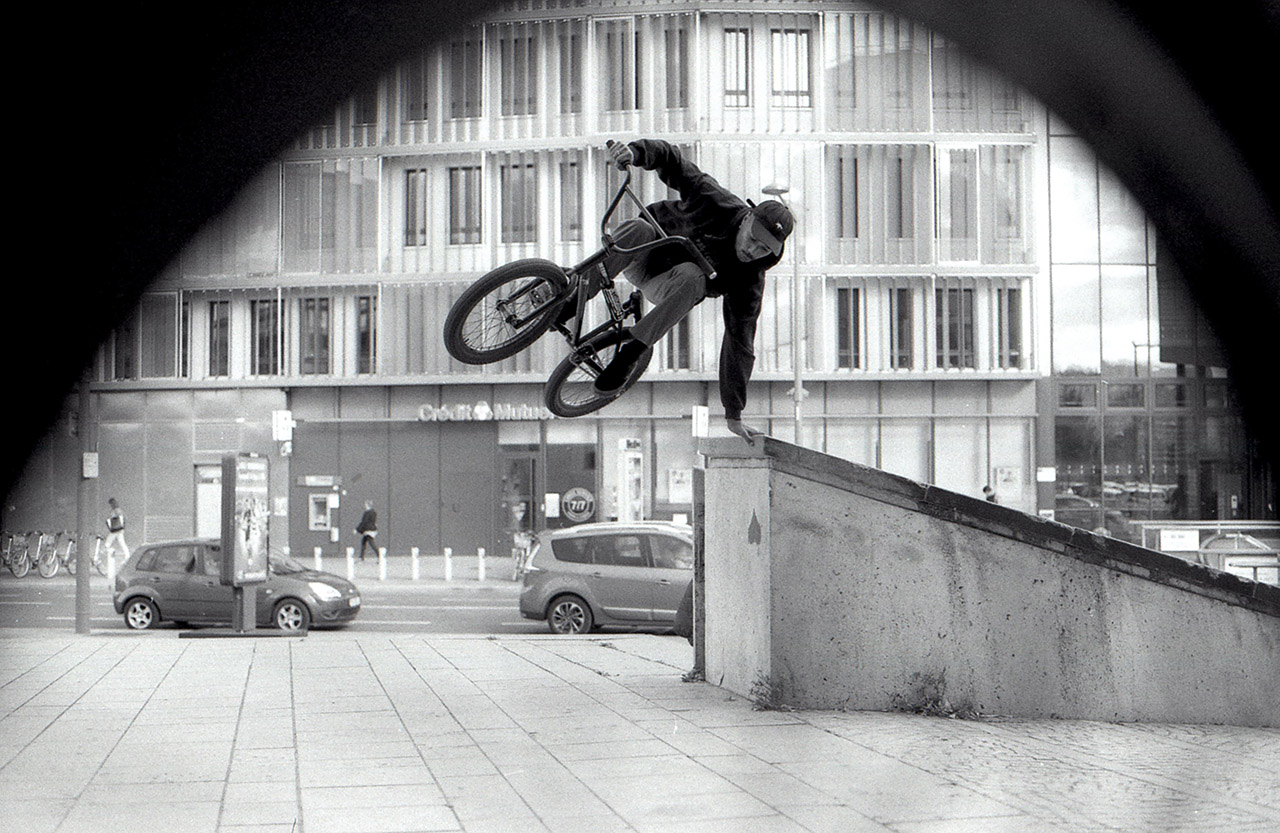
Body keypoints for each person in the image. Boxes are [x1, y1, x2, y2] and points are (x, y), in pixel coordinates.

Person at [592, 138, 795, 445]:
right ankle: (574, 294)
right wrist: (635, 153)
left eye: (763, 250)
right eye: (753, 239)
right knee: (639, 228)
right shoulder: (716, 201)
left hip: (669, 287)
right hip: (642, 252)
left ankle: (630, 352)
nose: (752, 251)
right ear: (747, 218)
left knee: (693, 276)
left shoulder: (749, 279)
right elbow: (673, 161)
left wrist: (734, 413)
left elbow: (740, 342)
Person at [103, 497, 130, 561]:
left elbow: (113, 519)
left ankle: (111, 552)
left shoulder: (115, 511)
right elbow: (123, 519)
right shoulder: (118, 510)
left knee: (108, 543)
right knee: (122, 543)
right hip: (119, 529)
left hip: (115, 530)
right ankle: (127, 555)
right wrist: (123, 527)